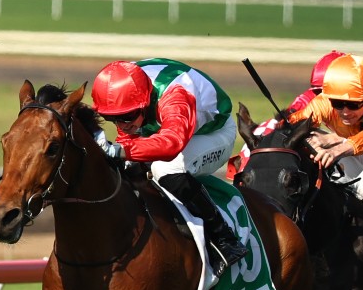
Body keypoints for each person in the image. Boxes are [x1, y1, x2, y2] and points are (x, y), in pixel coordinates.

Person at [92, 58, 249, 268]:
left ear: (145, 100)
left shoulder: (176, 96)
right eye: (113, 118)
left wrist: (122, 150)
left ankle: (224, 237)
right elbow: (129, 137)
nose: (121, 124)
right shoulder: (126, 85)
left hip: (213, 133)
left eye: (127, 116)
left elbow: (171, 144)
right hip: (167, 127)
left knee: (164, 169)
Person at [287, 53, 363, 218]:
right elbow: (296, 122)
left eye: (354, 104)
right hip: (358, 148)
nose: (345, 112)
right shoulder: (325, 101)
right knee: (334, 187)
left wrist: (336, 150)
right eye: (338, 104)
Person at [227, 50, 346, 180]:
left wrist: (331, 139)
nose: (323, 98)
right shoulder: (311, 97)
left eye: (329, 92)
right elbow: (289, 119)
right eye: (319, 91)